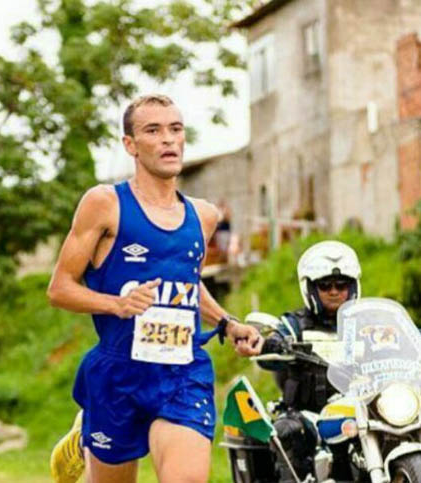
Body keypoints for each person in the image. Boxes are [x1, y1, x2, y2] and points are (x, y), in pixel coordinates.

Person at [47, 94, 262, 483]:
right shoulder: (105, 204)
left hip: (182, 372)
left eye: (175, 129)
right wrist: (117, 304)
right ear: (130, 144)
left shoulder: (204, 215)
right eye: (153, 130)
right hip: (119, 374)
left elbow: (187, 284)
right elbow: (60, 288)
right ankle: (86, 431)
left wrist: (227, 322)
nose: (168, 139)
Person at [257, 240, 361, 482]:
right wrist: (274, 343)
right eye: (325, 285)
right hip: (310, 414)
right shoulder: (295, 324)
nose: (334, 291)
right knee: (289, 432)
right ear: (311, 289)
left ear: (353, 286)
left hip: (362, 411)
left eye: (342, 284)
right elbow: (275, 338)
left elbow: (397, 335)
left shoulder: (366, 322)